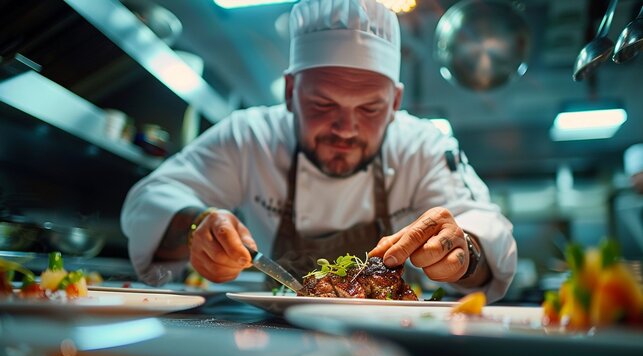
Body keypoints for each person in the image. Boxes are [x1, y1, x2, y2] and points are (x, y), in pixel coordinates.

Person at [121, 0, 517, 302]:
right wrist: (196, 226)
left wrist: (465, 250)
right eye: (323, 105)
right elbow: (149, 199)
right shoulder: (250, 135)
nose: (346, 129)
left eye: (369, 109)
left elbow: (487, 233)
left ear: (395, 102)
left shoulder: (424, 146)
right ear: (292, 92)